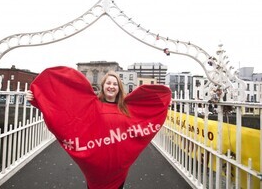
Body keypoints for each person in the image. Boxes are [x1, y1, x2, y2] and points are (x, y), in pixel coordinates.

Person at [26, 66, 171, 189]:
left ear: (119, 88)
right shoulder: (92, 105)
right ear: (103, 85)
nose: (111, 86)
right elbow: (65, 108)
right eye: (109, 83)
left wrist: (164, 105)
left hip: (118, 171)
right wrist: (37, 99)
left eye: (115, 84)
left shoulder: (127, 108)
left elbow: (145, 116)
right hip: (95, 171)